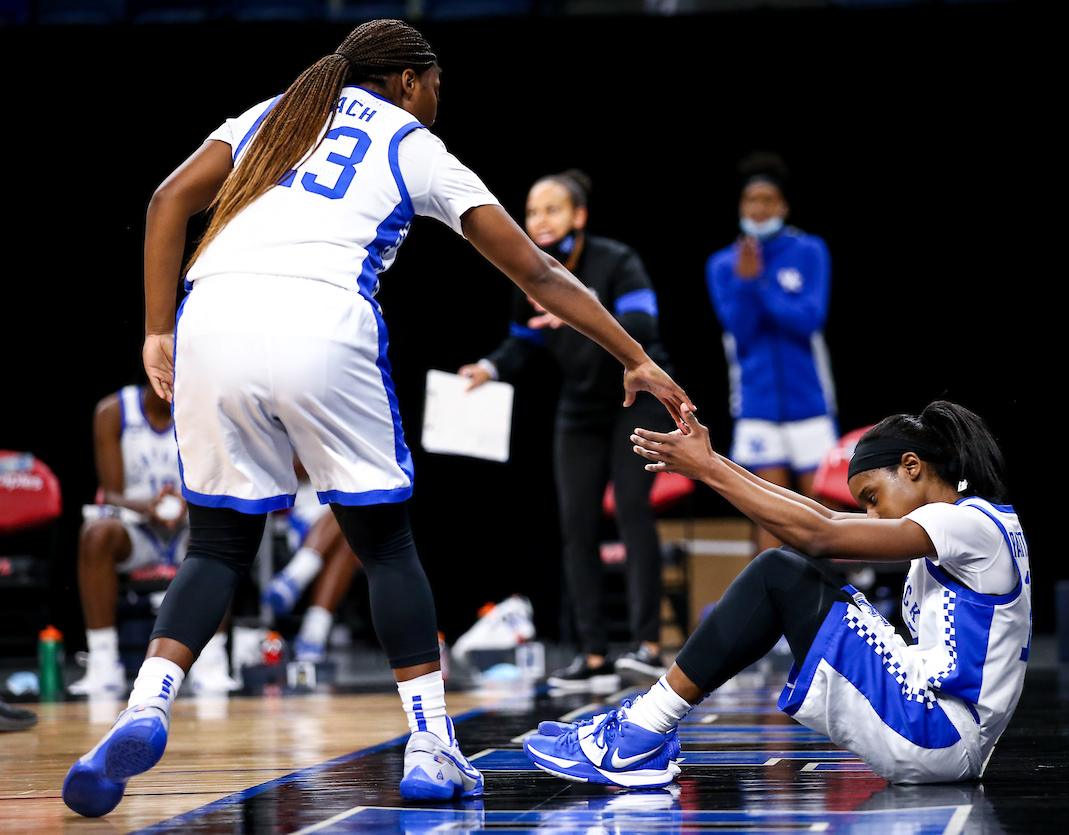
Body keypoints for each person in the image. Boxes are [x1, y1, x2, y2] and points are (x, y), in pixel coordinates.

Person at [62, 18, 691, 818]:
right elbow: (535, 269)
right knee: (384, 539)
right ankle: (432, 743)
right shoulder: (409, 141)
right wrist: (633, 353)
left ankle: (145, 702)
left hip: (209, 317)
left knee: (217, 540)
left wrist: (157, 328)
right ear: (407, 81)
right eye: (437, 87)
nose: (438, 101)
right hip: (320, 319)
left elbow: (166, 201)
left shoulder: (272, 112)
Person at [524, 401, 1031, 787]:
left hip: (937, 733)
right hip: (944, 733)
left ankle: (639, 734)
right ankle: (642, 727)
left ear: (913, 466)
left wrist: (708, 470)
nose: (872, 517)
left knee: (779, 572)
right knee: (787, 570)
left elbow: (820, 533)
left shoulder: (966, 523)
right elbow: (824, 519)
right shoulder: (978, 523)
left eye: (872, 499)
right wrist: (714, 461)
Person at [458, 169, 674, 690]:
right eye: (531, 211)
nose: (539, 220)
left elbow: (644, 325)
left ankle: (647, 646)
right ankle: (593, 653)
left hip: (635, 401)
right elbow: (522, 342)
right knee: (575, 526)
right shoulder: (528, 273)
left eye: (551, 209)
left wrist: (581, 314)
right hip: (580, 408)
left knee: (631, 510)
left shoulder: (616, 260)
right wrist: (489, 367)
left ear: (578, 216)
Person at [705, 151, 838, 552]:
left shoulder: (810, 251)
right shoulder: (723, 264)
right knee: (771, 513)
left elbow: (808, 321)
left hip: (810, 402)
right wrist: (745, 283)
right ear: (741, 207)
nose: (759, 209)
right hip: (756, 405)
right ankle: (776, 606)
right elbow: (740, 331)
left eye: (767, 200)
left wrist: (759, 284)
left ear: (782, 206)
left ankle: (832, 603)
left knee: (824, 512)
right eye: (751, 201)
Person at [70, 384, 236, 698]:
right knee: (95, 535)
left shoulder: (203, 409)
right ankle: (104, 663)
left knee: (225, 535)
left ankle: (212, 663)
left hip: (190, 528)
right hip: (138, 528)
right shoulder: (113, 412)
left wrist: (186, 501)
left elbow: (219, 480)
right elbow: (111, 493)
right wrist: (148, 507)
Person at [263, 482, 362, 663]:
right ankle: (314, 634)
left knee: (346, 539)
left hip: (342, 513)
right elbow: (290, 465)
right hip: (301, 515)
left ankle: (294, 579)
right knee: (345, 510)